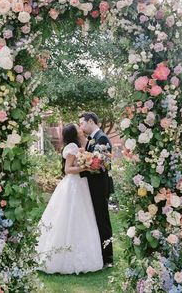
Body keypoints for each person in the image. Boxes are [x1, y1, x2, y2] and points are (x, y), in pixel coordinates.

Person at [35, 123, 103, 274]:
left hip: (79, 184)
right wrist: (85, 167)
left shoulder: (75, 145)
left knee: (81, 216)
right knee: (71, 216)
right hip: (74, 185)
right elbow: (68, 170)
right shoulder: (72, 146)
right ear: (73, 133)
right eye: (77, 128)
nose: (80, 129)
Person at [79, 112, 113, 267]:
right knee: (96, 220)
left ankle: (108, 258)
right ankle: (99, 254)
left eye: (82, 123)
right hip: (93, 186)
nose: (81, 126)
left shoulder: (102, 138)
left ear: (91, 121)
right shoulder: (93, 139)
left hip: (100, 187)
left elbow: (99, 166)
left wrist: (79, 169)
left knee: (103, 221)